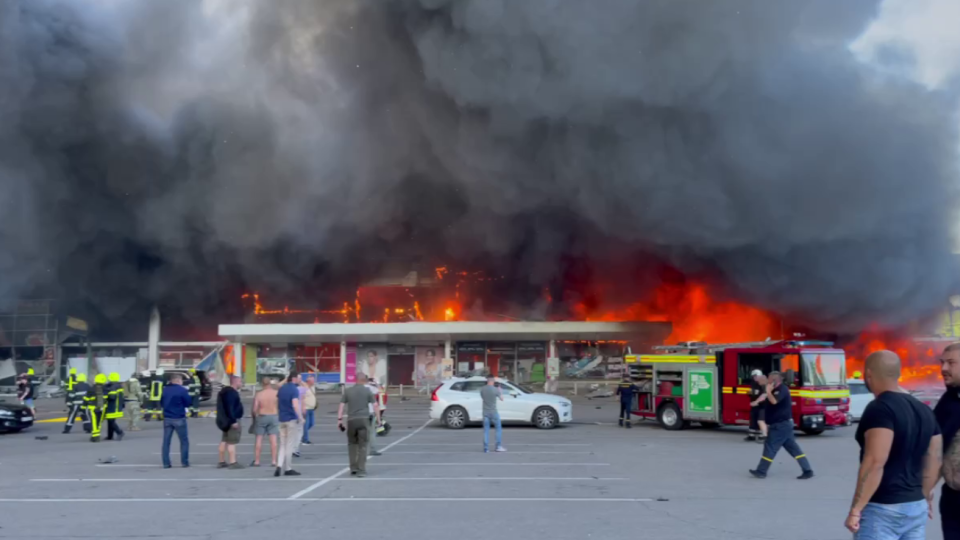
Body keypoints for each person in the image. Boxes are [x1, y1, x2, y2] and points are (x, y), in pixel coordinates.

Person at [844, 351, 941, 538]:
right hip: (917, 506)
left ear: (869, 374)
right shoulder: (924, 409)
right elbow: (934, 460)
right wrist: (926, 495)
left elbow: (874, 462)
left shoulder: (880, 408)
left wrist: (856, 509)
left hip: (883, 509)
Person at [749, 371, 813, 479]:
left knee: (770, 447)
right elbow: (766, 397)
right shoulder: (775, 389)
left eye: (769, 379)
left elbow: (774, 401)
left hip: (780, 425)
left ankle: (761, 471)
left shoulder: (782, 389)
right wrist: (759, 399)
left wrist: (768, 392)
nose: (767, 381)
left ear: (774, 381)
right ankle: (807, 470)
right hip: (783, 425)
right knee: (794, 449)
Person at [934, 343, 960, 540]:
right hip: (952, 498)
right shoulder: (949, 402)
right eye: (942, 363)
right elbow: (934, 451)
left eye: (951, 363)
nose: (943, 369)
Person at [338, 373, 379, 477]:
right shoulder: (367, 391)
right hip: (364, 420)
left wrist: (339, 420)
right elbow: (375, 405)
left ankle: (353, 468)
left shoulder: (348, 391)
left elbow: (341, 406)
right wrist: (378, 419)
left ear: (355, 380)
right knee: (363, 445)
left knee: (352, 444)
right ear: (365, 380)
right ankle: (361, 470)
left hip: (351, 420)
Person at [160, 373, 192, 469]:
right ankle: (184, 462)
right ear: (178, 381)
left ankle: (166, 463)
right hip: (179, 418)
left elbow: (161, 402)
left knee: (166, 441)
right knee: (184, 441)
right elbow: (188, 403)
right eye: (181, 380)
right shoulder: (182, 390)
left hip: (167, 418)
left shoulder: (165, 390)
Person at [276, 372, 303, 477]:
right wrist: (300, 417)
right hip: (291, 419)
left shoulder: (282, 389)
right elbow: (295, 405)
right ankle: (288, 468)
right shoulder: (294, 389)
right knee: (289, 445)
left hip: (282, 419)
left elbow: (277, 403)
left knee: (282, 444)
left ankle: (278, 466)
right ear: (294, 378)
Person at [216, 375, 245, 469]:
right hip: (232, 420)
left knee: (224, 440)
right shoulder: (232, 393)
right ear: (235, 382)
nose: (241, 383)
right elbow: (231, 408)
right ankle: (233, 462)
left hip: (224, 421)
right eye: (240, 381)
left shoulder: (224, 392)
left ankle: (221, 461)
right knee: (232, 441)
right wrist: (233, 421)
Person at [250, 378, 279, 468]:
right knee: (273, 440)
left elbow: (254, 409)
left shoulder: (259, 394)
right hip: (273, 416)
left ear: (262, 384)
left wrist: (254, 417)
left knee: (259, 439)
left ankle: (257, 461)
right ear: (270, 383)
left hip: (262, 416)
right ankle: (274, 461)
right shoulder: (276, 393)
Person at [481, 376, 506, 453]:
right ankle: (498, 446)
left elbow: (483, 398)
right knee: (498, 428)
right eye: (494, 381)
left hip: (485, 412)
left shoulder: (482, 389)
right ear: (491, 381)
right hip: (493, 412)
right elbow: (502, 399)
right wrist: (500, 391)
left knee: (486, 430)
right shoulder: (495, 390)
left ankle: (486, 448)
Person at [746, 370, 769, 442]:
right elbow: (753, 392)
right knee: (753, 419)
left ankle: (764, 435)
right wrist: (750, 393)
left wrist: (757, 401)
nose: (754, 378)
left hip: (763, 405)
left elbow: (764, 395)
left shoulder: (763, 383)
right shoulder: (754, 383)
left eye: (755, 376)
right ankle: (751, 435)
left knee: (761, 419)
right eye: (753, 377)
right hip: (755, 405)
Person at [84, 374, 108, 442]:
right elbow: (106, 398)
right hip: (102, 408)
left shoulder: (91, 388)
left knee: (94, 422)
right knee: (99, 422)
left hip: (93, 408)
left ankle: (95, 436)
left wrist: (83, 406)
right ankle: (97, 434)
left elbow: (86, 398)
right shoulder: (105, 388)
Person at [104, 372, 125, 441]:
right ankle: (110, 436)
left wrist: (106, 397)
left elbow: (112, 397)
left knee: (111, 421)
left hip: (112, 407)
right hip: (117, 406)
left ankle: (119, 432)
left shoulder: (113, 387)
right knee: (110, 421)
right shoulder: (119, 386)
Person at [365, 378, 382, 456]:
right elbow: (379, 390)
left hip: (357, 413)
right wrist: (375, 382)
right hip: (369, 413)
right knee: (371, 432)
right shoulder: (370, 389)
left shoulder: (354, 389)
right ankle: (372, 450)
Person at [301, 376, 317, 445]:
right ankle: (305, 440)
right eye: (313, 380)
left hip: (312, 409)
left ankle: (301, 434)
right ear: (308, 381)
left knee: (311, 423)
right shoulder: (304, 388)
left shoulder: (313, 387)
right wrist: (303, 407)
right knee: (306, 424)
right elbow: (302, 398)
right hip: (306, 409)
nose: (314, 381)